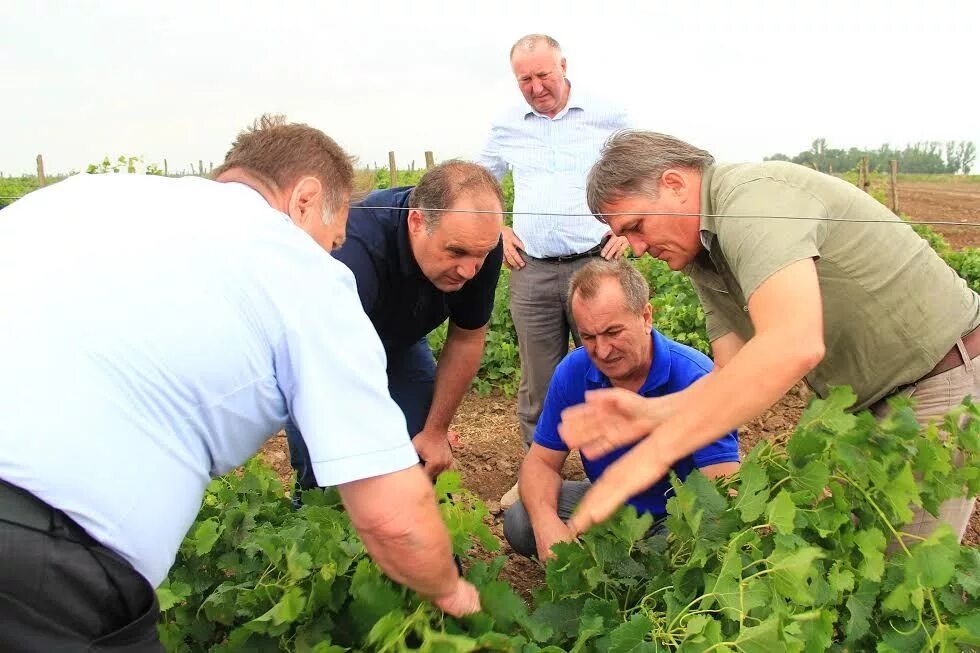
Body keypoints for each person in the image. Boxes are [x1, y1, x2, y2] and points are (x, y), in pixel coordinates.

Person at [0, 116, 479, 651]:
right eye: (333, 238)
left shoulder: (76, 199)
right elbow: (390, 514)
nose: (333, 252)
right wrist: (450, 589)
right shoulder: (303, 272)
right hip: (47, 562)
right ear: (304, 199)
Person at [558, 130, 980, 542]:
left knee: (909, 577)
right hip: (866, 402)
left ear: (674, 184)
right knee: (850, 546)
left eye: (636, 225)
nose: (635, 246)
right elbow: (731, 373)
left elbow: (793, 343)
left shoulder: (751, 201)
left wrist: (655, 453)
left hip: (940, 377)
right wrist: (652, 414)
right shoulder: (702, 256)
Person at [477, 33, 631, 506]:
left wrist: (626, 226)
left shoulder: (608, 115)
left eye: (544, 74)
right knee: (539, 378)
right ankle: (535, 476)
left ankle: (621, 470)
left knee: (610, 365)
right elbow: (479, 183)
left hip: (595, 264)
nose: (536, 86)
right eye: (525, 79)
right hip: (533, 270)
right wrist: (497, 228)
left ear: (564, 65)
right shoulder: (506, 125)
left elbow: (639, 171)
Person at [285, 160, 504, 491]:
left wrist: (435, 432)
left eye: (481, 255)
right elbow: (318, 367)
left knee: (416, 453)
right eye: (456, 252)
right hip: (320, 352)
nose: (469, 271)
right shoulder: (354, 251)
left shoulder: (479, 245)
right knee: (325, 470)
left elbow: (467, 339)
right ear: (417, 222)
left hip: (401, 338)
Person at [503, 259, 739, 560]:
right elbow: (540, 463)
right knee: (522, 521)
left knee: (675, 557)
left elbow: (722, 493)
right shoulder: (574, 372)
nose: (601, 350)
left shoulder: (695, 378)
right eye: (588, 337)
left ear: (646, 316)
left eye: (613, 332)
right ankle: (607, 567)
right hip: (609, 507)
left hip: (677, 518)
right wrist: (547, 524)